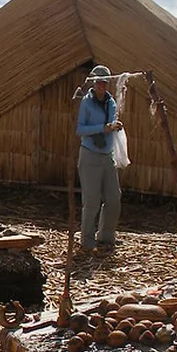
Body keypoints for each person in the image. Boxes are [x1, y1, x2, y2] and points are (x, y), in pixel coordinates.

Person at [76, 65, 123, 252]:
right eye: (99, 82)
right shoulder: (86, 102)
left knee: (114, 198)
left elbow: (112, 124)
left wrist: (115, 127)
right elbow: (80, 129)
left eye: (105, 82)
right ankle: (87, 240)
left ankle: (106, 236)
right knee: (92, 201)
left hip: (107, 155)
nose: (102, 85)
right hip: (90, 155)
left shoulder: (111, 102)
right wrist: (102, 128)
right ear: (94, 83)